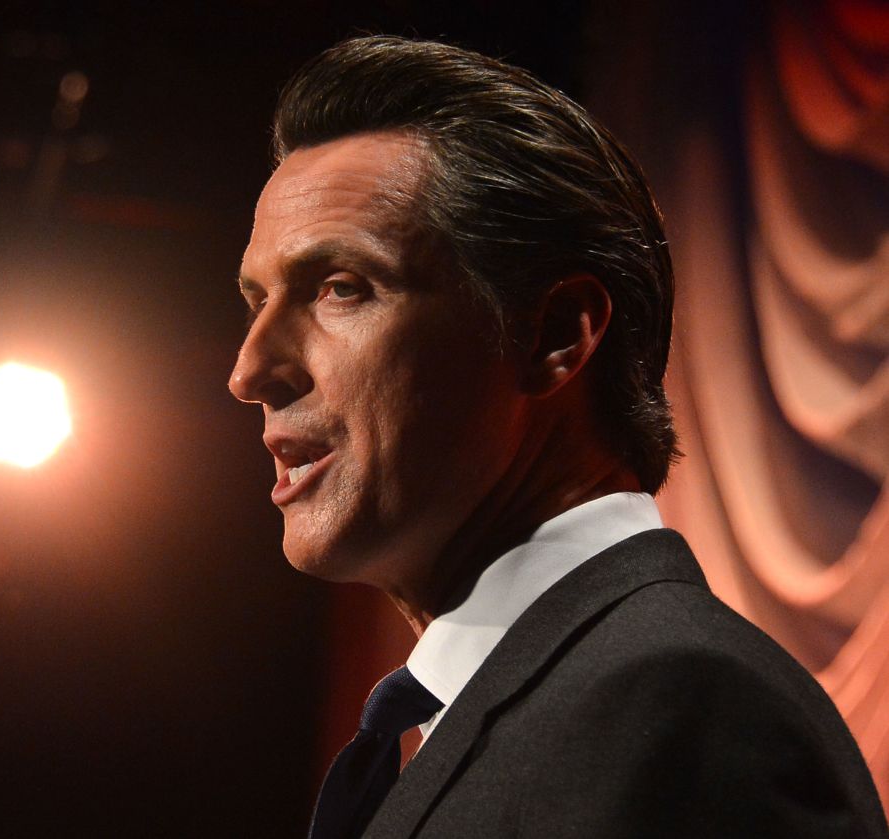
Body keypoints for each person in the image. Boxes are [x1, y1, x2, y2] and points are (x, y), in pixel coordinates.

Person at [228, 35, 889, 839]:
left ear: (555, 336)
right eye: (255, 302)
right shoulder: (541, 703)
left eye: (341, 288)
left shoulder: (680, 708)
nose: (251, 369)